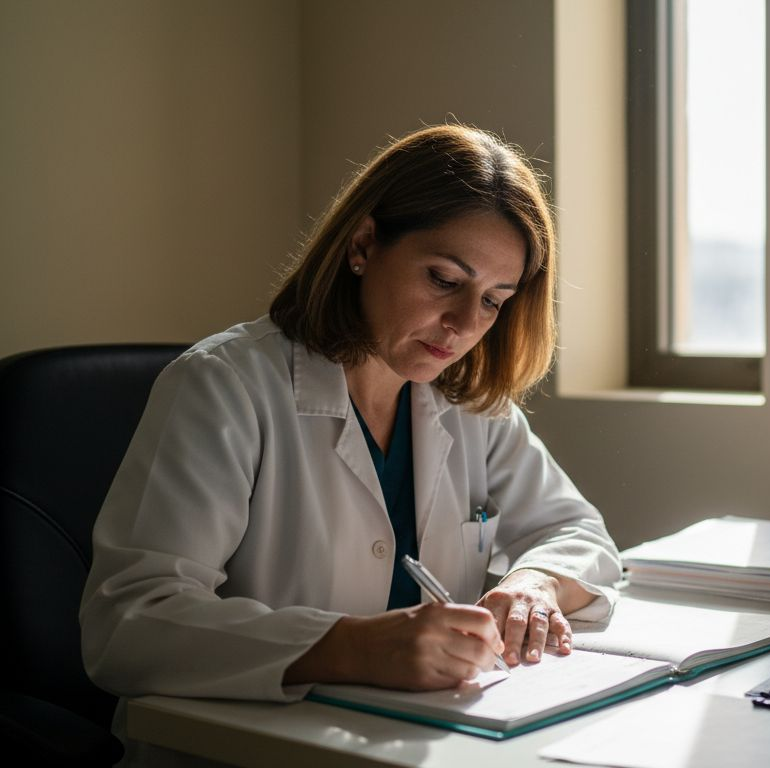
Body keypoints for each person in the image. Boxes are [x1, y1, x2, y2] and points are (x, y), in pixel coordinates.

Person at [79, 124, 621, 714]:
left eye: (494, 299)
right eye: (444, 280)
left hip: (422, 733)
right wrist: (351, 646)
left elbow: (577, 532)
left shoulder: (468, 400)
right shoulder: (225, 384)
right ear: (363, 246)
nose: (465, 323)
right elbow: (130, 623)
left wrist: (534, 584)